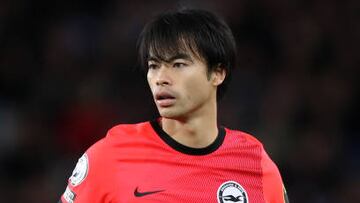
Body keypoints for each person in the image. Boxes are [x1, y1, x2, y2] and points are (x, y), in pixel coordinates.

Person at [60, 8, 289, 203]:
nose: (161, 78)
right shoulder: (110, 156)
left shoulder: (256, 165)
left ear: (218, 73)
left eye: (178, 64)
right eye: (154, 65)